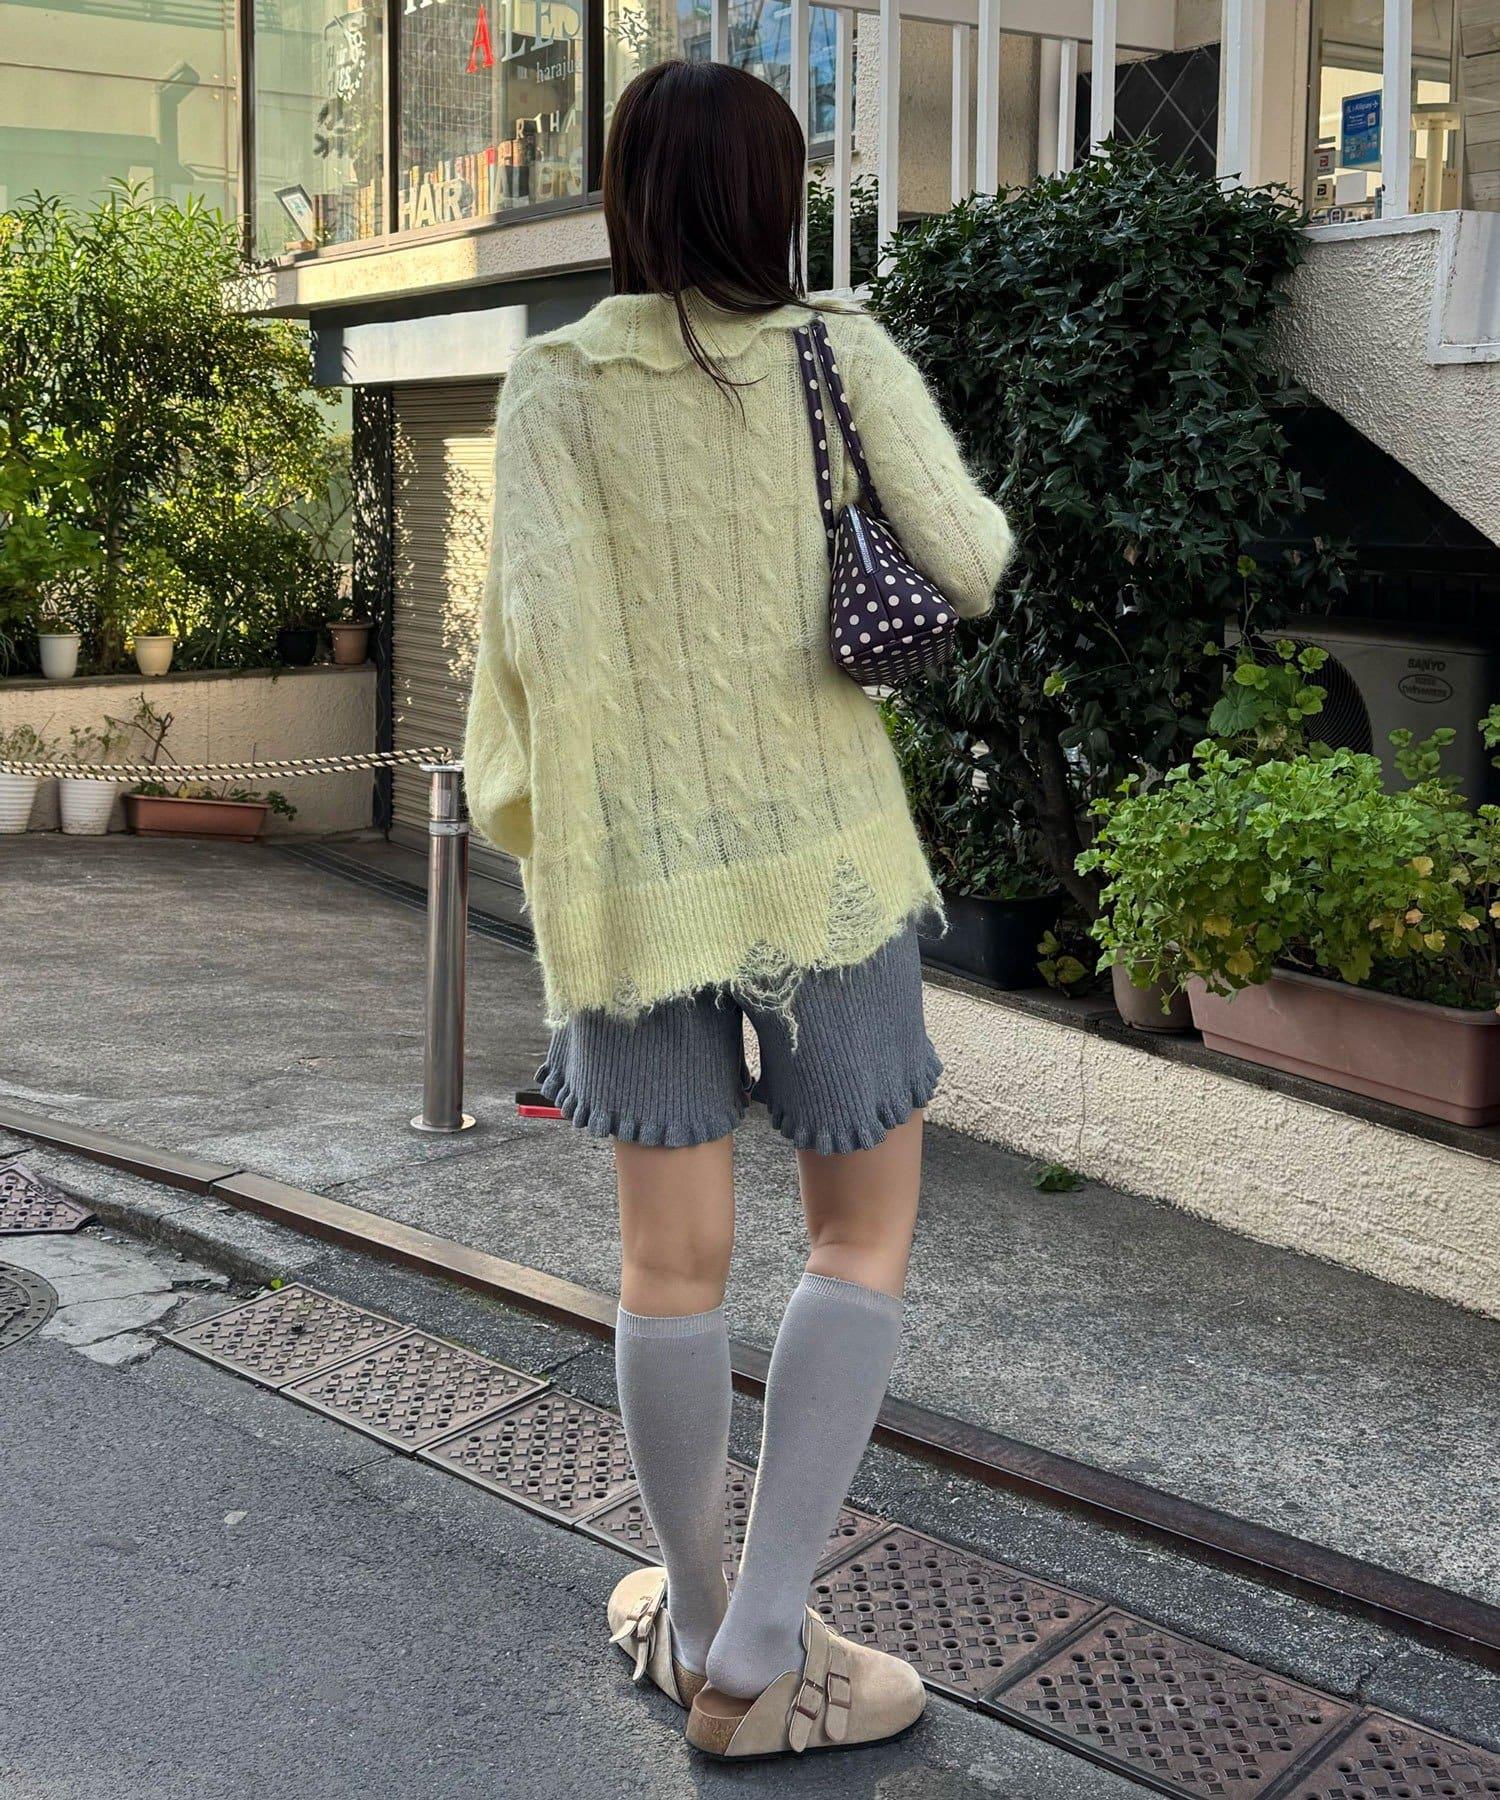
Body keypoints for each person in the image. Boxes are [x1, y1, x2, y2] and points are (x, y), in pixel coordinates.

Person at [464, 59, 1013, 1761]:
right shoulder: (838, 352)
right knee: (860, 1234)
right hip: (825, 862)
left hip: (630, 878)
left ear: (624, 196)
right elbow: (971, 562)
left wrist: (560, 848)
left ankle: (700, 1627)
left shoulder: (552, 386)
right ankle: (769, 1646)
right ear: (779, 195)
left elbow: (533, 656)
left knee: (666, 1261)